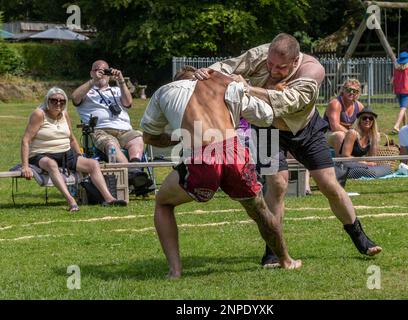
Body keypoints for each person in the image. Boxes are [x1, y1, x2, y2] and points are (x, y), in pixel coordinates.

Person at [194, 33, 382, 267]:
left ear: (295, 61)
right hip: (266, 128)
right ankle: (273, 251)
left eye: (280, 67)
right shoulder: (262, 54)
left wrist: (247, 88)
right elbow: (228, 65)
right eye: (270, 64)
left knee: (329, 185)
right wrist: (205, 71)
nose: (273, 70)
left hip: (306, 129)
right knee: (278, 184)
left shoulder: (313, 71)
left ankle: (360, 237)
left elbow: (287, 101)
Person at [141, 67, 301, 278]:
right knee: (260, 210)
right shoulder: (224, 83)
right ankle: (286, 260)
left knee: (163, 202)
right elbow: (266, 116)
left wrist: (179, 137)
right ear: (200, 74)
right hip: (233, 149)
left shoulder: (164, 91)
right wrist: (242, 91)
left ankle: (175, 272)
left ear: (177, 80)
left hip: (202, 154)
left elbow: (149, 137)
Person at [21, 87, 127, 212]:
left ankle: (109, 199)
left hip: (65, 153)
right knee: (51, 164)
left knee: (92, 164)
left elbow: (71, 138)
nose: (58, 103)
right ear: (47, 101)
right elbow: (25, 140)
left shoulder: (64, 114)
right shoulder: (39, 114)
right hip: (41, 154)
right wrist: (25, 166)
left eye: (62, 101)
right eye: (54, 100)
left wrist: (78, 154)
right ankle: (71, 201)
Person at [71, 60, 152, 194]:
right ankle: (133, 176)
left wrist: (121, 81)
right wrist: (93, 81)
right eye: (97, 70)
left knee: (138, 138)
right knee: (111, 146)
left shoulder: (116, 90)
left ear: (109, 74)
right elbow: (74, 98)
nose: (101, 74)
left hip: (125, 130)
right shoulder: (87, 91)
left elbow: (128, 102)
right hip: (101, 130)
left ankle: (134, 171)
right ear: (91, 72)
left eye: (104, 71)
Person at [324, 78, 364, 153]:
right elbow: (335, 127)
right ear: (343, 90)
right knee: (340, 135)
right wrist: (352, 135)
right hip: (328, 134)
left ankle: (370, 161)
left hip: (348, 134)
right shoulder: (335, 103)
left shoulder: (359, 106)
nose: (352, 93)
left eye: (355, 91)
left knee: (373, 136)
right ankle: (340, 163)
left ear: (358, 93)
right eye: (349, 90)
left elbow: (364, 124)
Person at [390, 51, 408, 134]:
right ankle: (397, 125)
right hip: (406, 90)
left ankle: (405, 126)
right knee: (403, 108)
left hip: (397, 90)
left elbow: (391, 81)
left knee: (403, 108)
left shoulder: (396, 69)